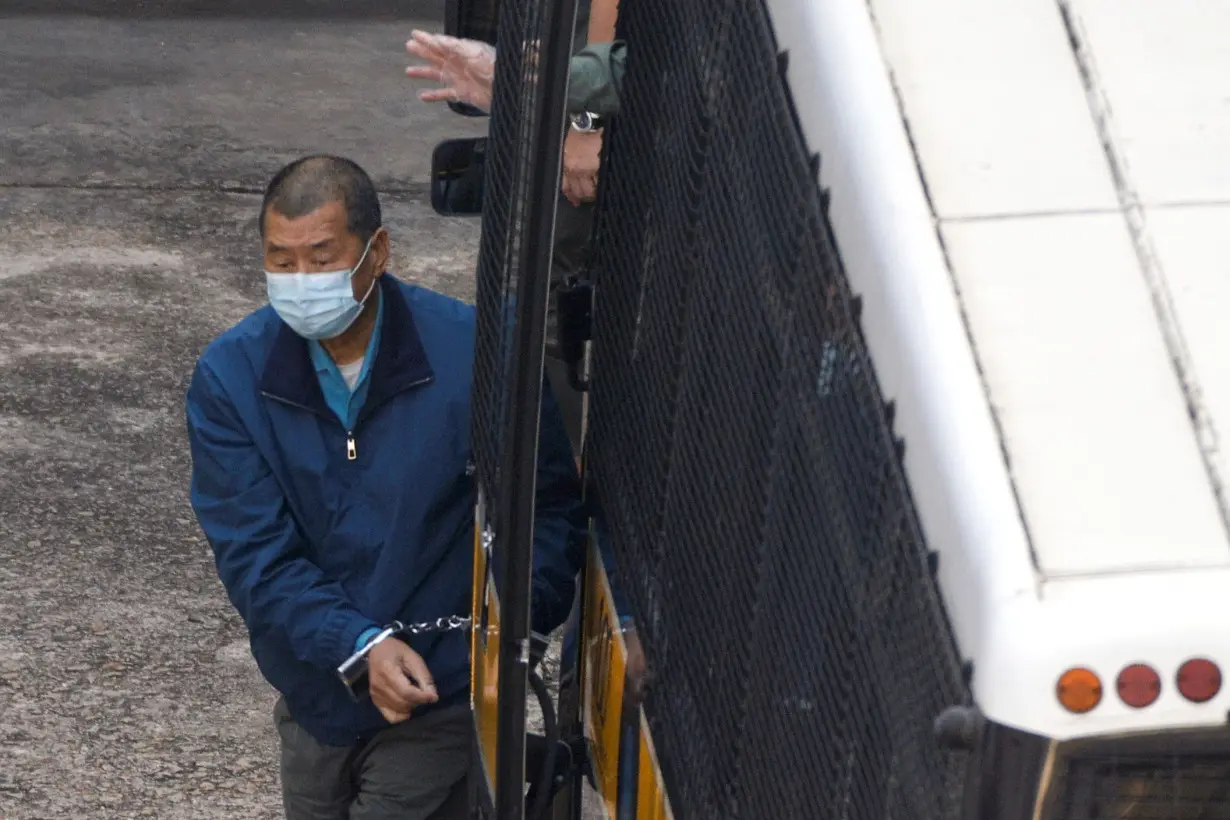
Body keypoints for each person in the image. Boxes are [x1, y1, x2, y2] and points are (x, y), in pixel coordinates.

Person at [185, 155, 587, 820]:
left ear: (377, 252)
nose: (301, 280)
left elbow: (547, 511)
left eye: (321, 257)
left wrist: (506, 634)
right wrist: (357, 646)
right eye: (281, 262)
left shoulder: (476, 354)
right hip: (319, 691)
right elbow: (255, 557)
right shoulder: (231, 377)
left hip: (443, 692)